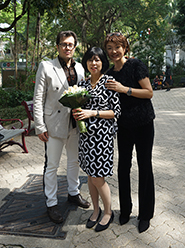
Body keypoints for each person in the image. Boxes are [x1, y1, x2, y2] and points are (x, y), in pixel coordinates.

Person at [33, 30, 90, 224]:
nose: (67, 47)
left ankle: (73, 193)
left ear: (75, 47)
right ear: (57, 46)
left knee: (74, 161)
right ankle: (51, 203)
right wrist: (40, 127)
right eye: (64, 44)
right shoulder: (47, 67)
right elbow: (38, 98)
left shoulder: (81, 68)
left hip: (75, 123)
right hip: (53, 125)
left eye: (71, 44)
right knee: (52, 166)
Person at [104, 32, 155, 233]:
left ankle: (145, 215)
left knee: (145, 166)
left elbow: (149, 92)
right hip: (123, 126)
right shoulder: (108, 74)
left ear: (125, 47)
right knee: (123, 167)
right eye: (109, 48)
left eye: (117, 47)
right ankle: (125, 210)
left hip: (143, 123)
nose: (113, 51)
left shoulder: (135, 65)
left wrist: (125, 89)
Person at [72, 47, 121, 232]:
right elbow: (78, 108)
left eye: (97, 60)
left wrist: (93, 112)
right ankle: (96, 210)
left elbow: (116, 112)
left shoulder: (109, 82)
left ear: (103, 62)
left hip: (102, 138)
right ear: (86, 63)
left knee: (98, 177)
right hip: (86, 138)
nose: (94, 63)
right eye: (90, 60)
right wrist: (77, 112)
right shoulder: (82, 85)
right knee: (90, 177)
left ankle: (108, 212)